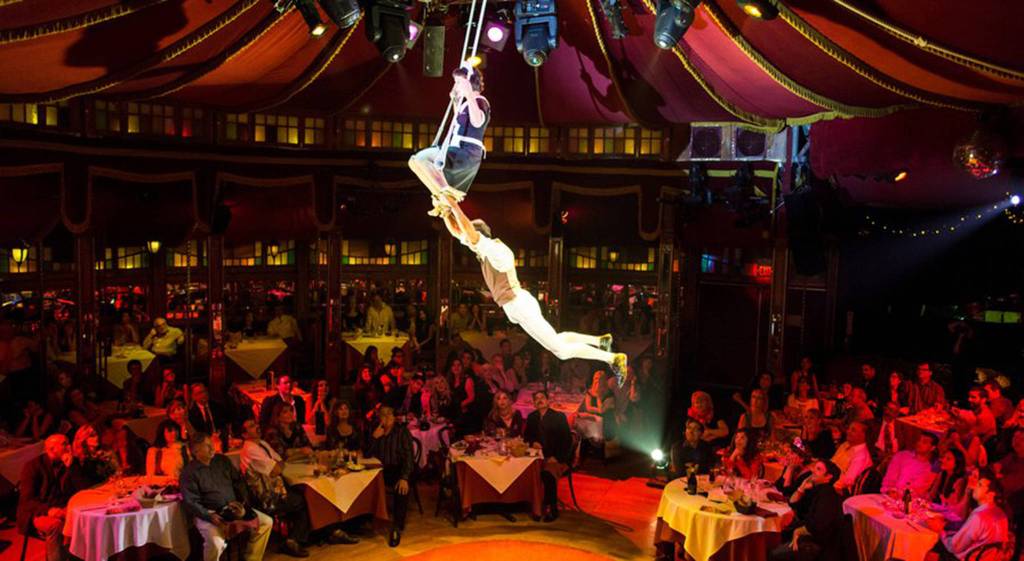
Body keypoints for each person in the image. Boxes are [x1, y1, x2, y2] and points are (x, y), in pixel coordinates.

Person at [434, 197, 628, 382]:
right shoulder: (484, 250)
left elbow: (466, 230)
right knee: (556, 339)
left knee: (560, 350)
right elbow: (459, 232)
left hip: (519, 305)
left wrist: (453, 204)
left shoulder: (495, 250)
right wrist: (445, 213)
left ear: (479, 235)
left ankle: (612, 358)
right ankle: (600, 340)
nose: (466, 239)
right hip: (518, 305)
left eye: (469, 236)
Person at [408, 63, 491, 210]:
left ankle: (444, 190)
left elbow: (477, 122)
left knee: (421, 159)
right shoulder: (467, 104)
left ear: (468, 82)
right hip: (460, 150)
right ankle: (441, 196)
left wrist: (469, 94)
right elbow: (458, 122)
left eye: (458, 82)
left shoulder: (480, 101)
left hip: (466, 152)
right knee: (414, 162)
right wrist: (456, 101)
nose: (456, 86)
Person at [180, 432, 273, 561]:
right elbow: (190, 501)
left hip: (233, 509)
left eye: (211, 444)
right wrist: (209, 515)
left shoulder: (222, 460)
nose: (212, 448)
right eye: (207, 446)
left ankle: (251, 558)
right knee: (216, 544)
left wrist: (242, 502)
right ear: (196, 451)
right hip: (209, 514)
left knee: (266, 522)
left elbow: (238, 482)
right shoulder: (189, 472)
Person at [238, 419, 321, 556]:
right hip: (266, 497)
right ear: (244, 435)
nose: (257, 427)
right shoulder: (250, 449)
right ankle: (293, 540)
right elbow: (276, 468)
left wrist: (278, 466)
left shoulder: (262, 443)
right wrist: (277, 466)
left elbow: (280, 460)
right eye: (251, 426)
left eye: (256, 424)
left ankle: (303, 535)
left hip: (275, 487)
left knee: (300, 492)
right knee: (302, 500)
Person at [17, 434, 86, 561]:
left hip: (64, 507)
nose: (69, 447)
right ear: (51, 449)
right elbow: (27, 501)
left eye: (68, 442)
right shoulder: (32, 466)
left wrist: (72, 468)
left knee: (84, 518)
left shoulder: (71, 462)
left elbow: (83, 490)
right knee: (55, 525)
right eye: (64, 444)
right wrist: (50, 511)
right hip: (37, 512)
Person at [926, 469, 1008, 561]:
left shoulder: (979, 516)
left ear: (991, 495)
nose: (975, 486)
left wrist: (939, 530)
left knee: (931, 547)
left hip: (966, 558)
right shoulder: (1002, 514)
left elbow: (953, 547)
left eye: (979, 484)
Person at [769, 460, 844, 561]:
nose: (813, 471)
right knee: (775, 540)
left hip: (816, 544)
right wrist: (801, 488)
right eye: (814, 467)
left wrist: (799, 531)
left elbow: (819, 525)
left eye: (818, 469)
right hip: (808, 534)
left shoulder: (828, 495)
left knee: (773, 554)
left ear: (828, 476)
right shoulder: (816, 489)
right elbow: (792, 503)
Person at [368, 406, 414, 547]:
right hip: (380, 471)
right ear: (379, 418)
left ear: (394, 417)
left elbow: (409, 457)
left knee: (400, 489)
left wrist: (404, 477)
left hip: (399, 469)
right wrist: (374, 439)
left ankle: (396, 527)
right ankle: (364, 521)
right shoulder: (377, 431)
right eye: (383, 415)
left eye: (389, 414)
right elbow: (366, 455)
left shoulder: (402, 432)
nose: (386, 417)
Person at [524, 390, 572, 522]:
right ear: (533, 403)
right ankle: (534, 505)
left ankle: (552, 508)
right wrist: (533, 442)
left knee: (547, 474)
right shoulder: (532, 417)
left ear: (548, 400)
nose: (539, 400)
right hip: (537, 456)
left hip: (557, 457)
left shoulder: (558, 417)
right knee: (526, 471)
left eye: (542, 397)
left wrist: (557, 457)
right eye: (536, 398)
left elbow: (567, 440)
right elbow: (527, 436)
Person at [881, 433, 939, 498]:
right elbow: (889, 478)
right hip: (887, 496)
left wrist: (900, 495)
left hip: (909, 502)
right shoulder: (902, 455)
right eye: (919, 440)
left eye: (924, 442)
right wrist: (888, 491)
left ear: (932, 448)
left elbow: (919, 491)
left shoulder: (930, 468)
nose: (919, 443)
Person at [831, 421, 872, 493]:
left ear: (863, 435)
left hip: (841, 490)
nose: (848, 432)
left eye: (853, 430)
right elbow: (832, 462)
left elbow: (848, 480)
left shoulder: (861, 456)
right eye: (849, 429)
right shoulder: (845, 445)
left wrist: (828, 483)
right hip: (828, 477)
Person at [929, 448, 969, 521]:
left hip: (951, 518)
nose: (943, 460)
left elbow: (953, 507)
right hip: (938, 513)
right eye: (943, 457)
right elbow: (931, 495)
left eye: (948, 459)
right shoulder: (942, 474)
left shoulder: (960, 481)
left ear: (957, 463)